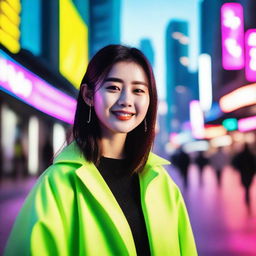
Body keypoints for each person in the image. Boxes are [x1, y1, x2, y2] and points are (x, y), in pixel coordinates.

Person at [4, 45, 197, 256]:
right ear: (88, 95)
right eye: (113, 87)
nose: (126, 101)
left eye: (139, 90)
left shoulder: (162, 182)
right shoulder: (57, 184)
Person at [232, 143, 256, 210]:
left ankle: (247, 196)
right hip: (250, 173)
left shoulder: (241, 155)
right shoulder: (251, 155)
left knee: (246, 186)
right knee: (248, 186)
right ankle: (247, 196)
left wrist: (238, 169)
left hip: (243, 173)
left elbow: (236, 163)